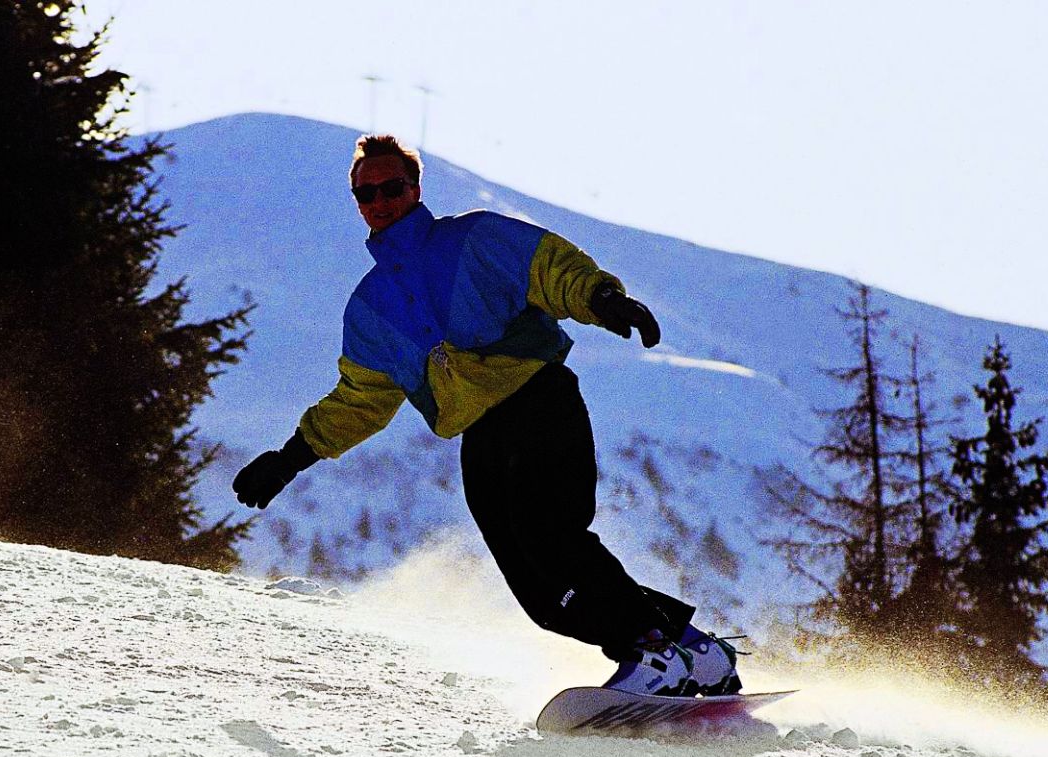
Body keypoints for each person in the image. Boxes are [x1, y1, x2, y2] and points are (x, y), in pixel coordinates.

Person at [232, 135, 740, 697]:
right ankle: (695, 650)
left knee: (551, 536)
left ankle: (651, 652)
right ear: (357, 202)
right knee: (540, 593)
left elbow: (551, 268)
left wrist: (602, 300)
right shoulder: (371, 308)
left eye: (392, 186)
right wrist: (289, 459)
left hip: (539, 401)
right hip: (481, 437)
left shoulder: (474, 238)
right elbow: (360, 400)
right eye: (366, 192)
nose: (381, 200)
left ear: (415, 188)